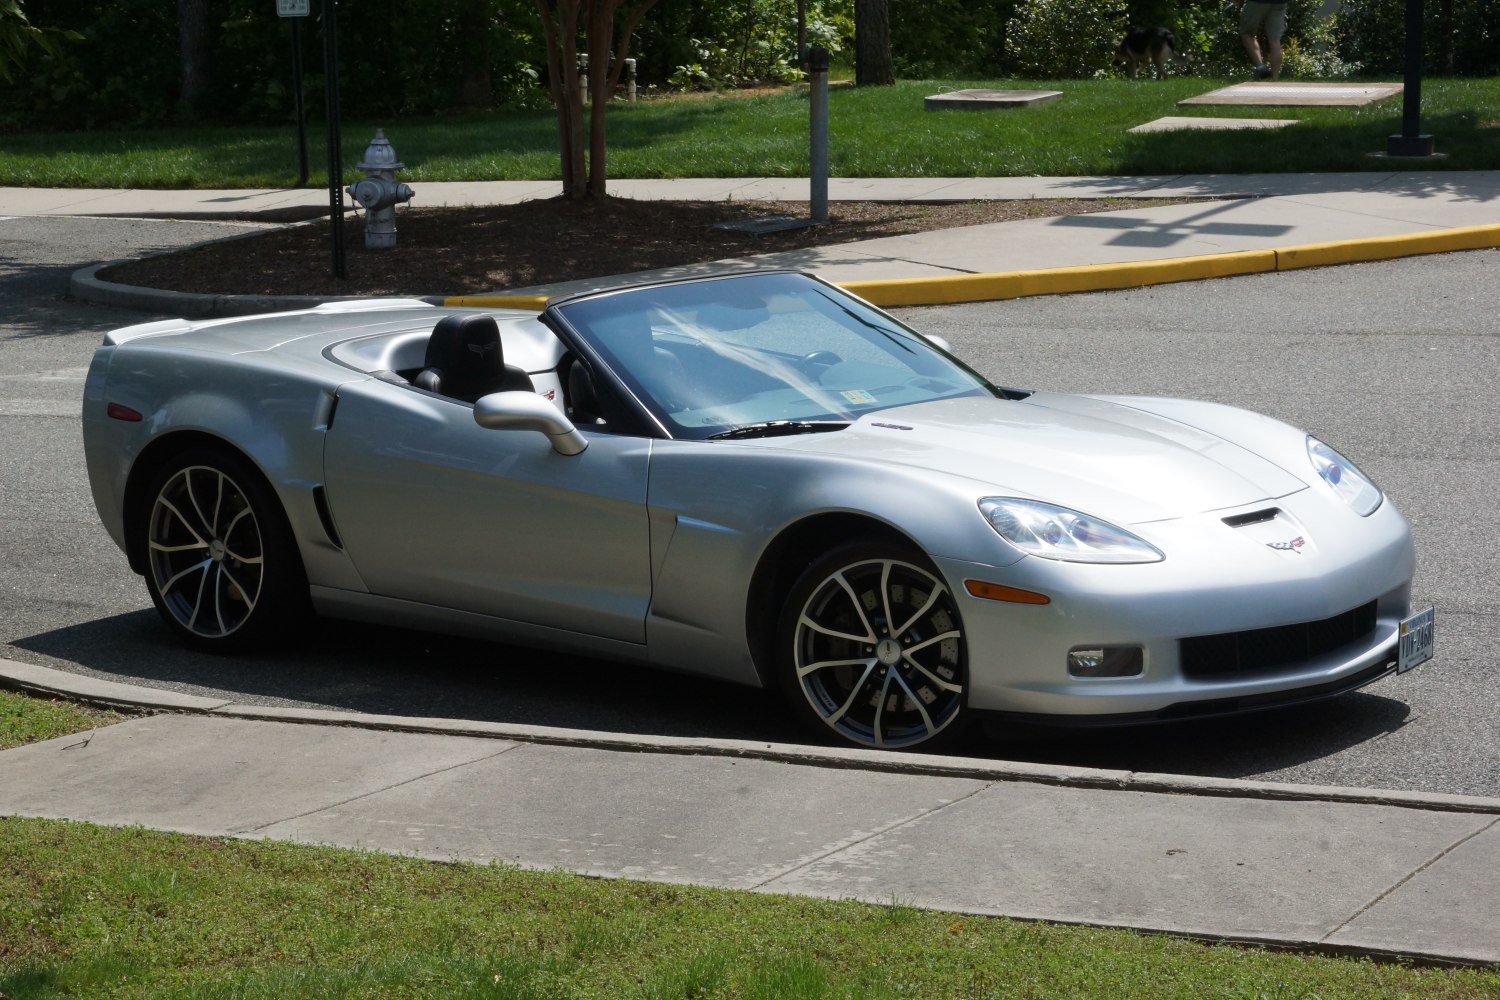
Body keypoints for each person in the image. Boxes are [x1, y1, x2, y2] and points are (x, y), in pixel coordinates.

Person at [1233, 0, 1287, 80]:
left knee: (1246, 33)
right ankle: (1275, 78)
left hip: (1257, 2)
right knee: (1275, 40)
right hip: (1280, 2)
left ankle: (1261, 67)